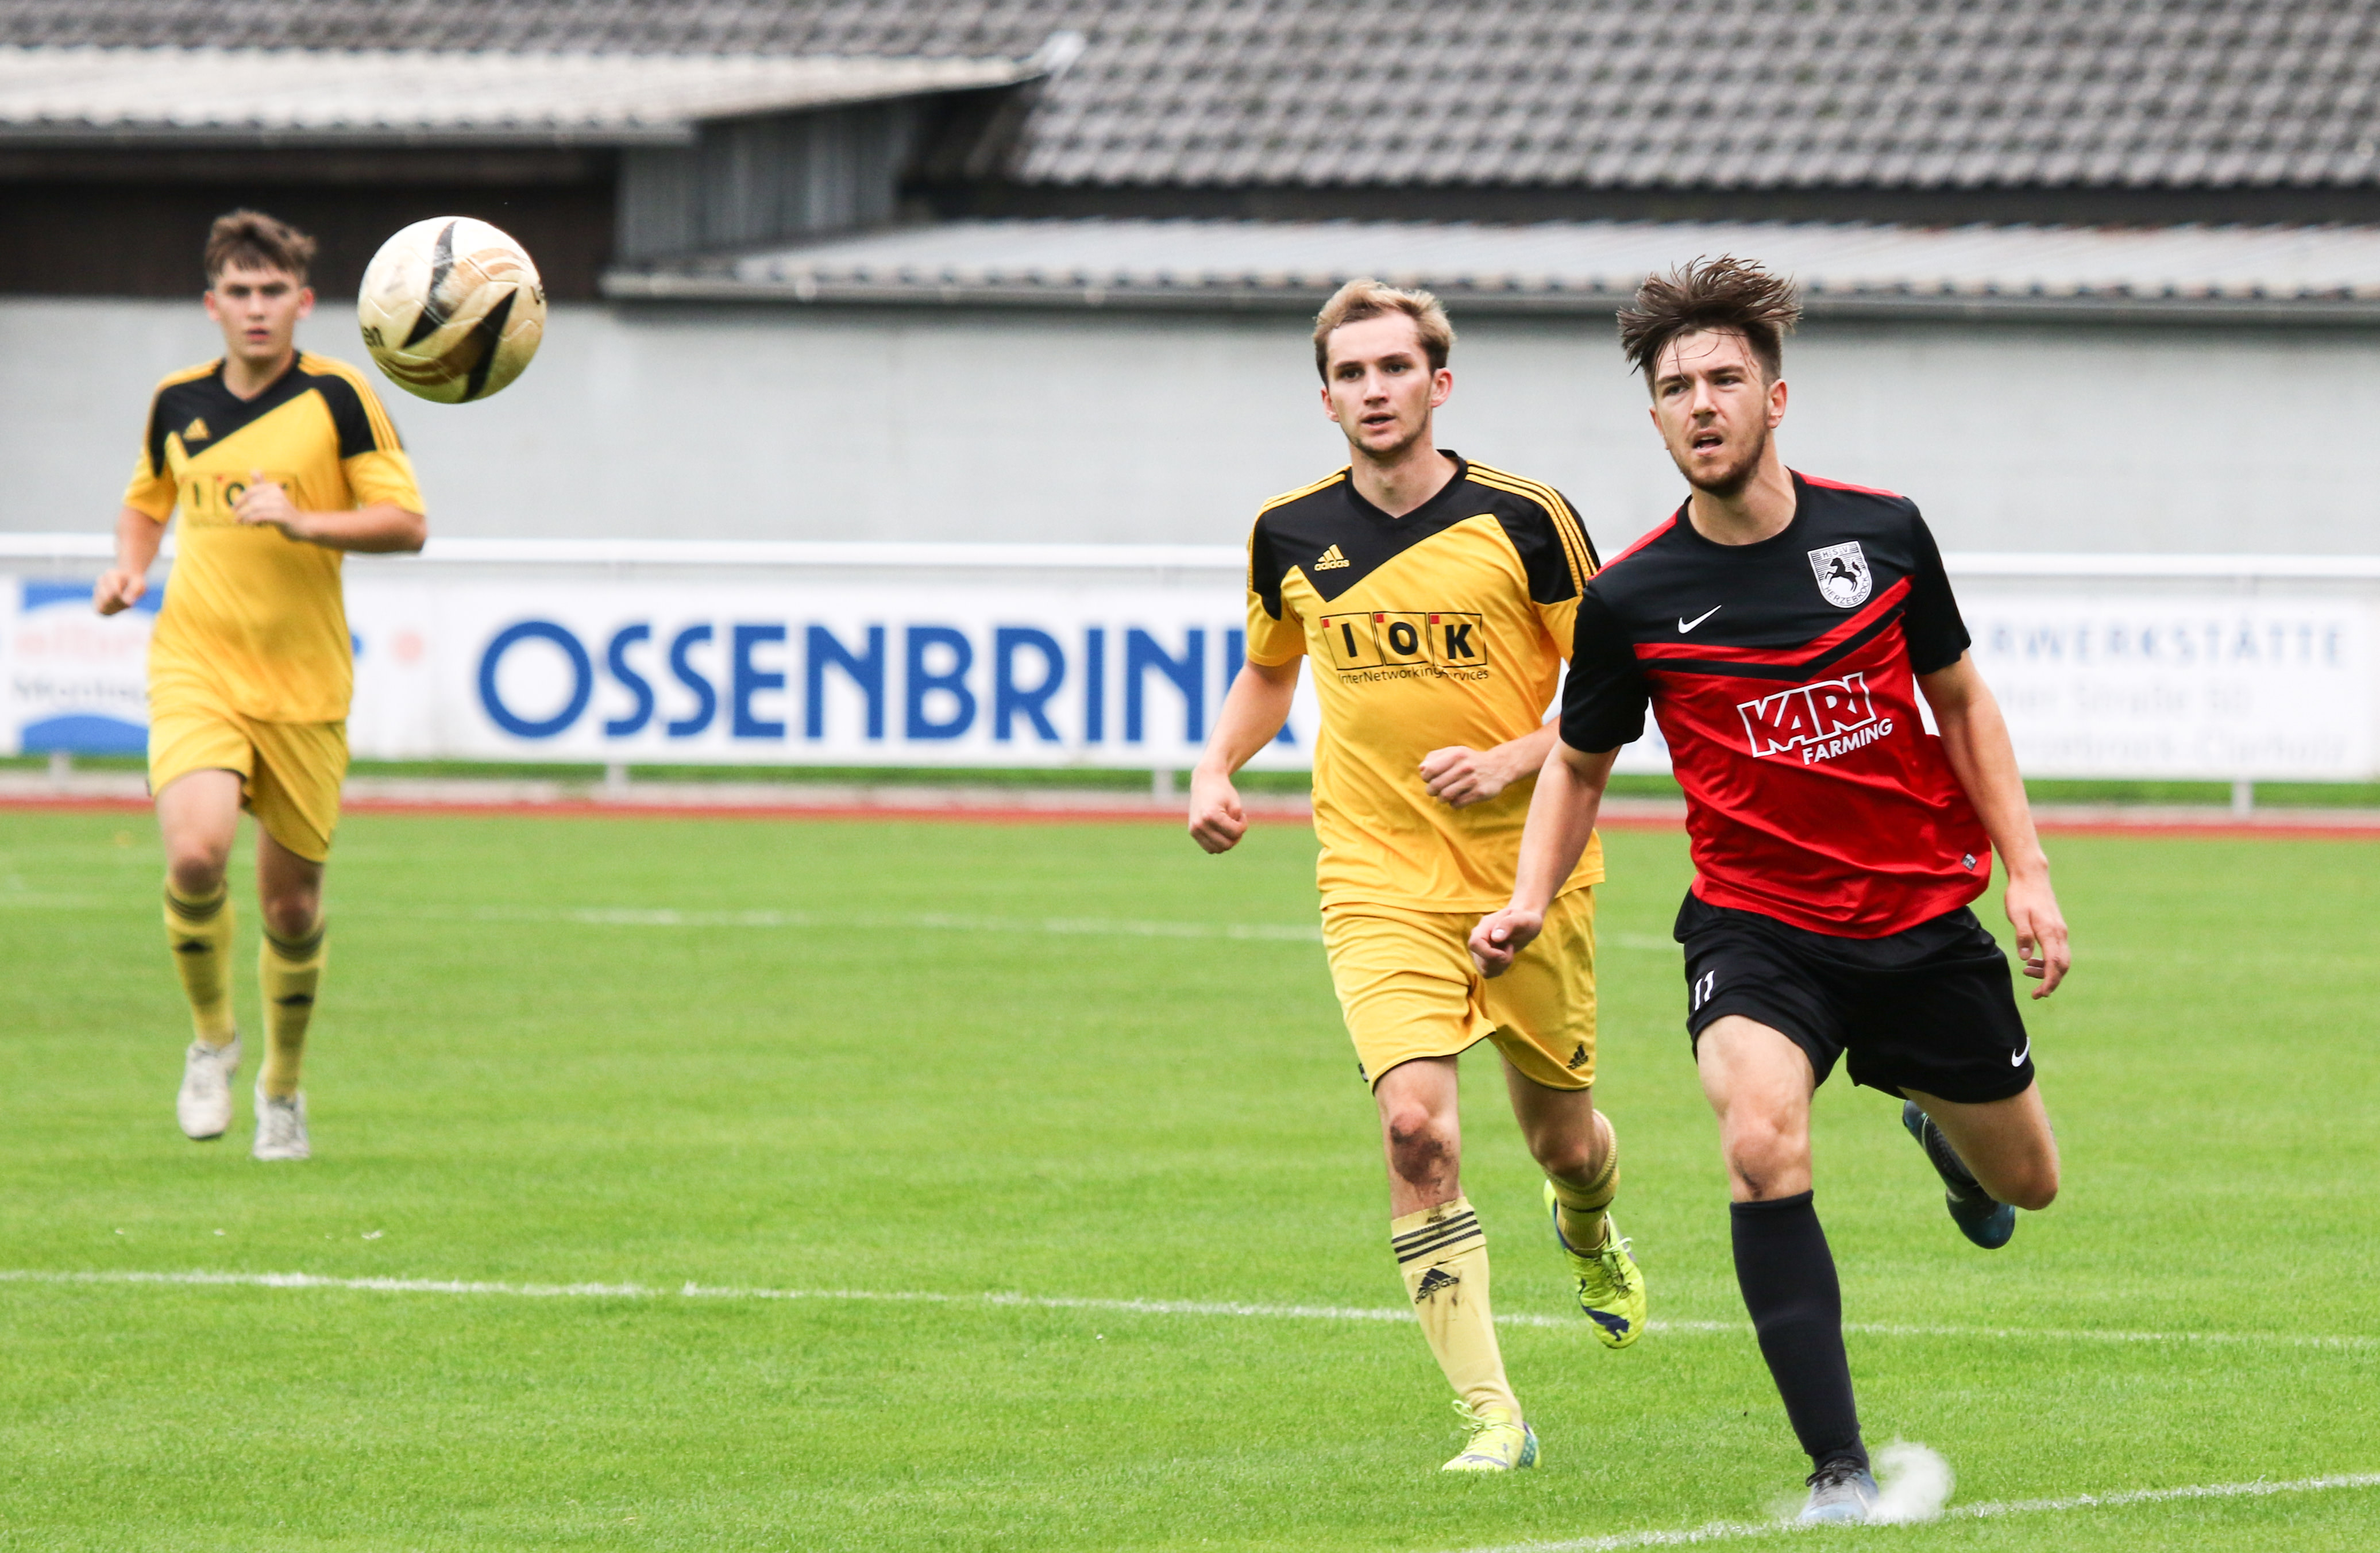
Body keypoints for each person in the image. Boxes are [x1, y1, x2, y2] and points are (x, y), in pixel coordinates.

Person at [1470, 257, 2068, 1523]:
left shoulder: (1883, 534)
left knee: (2028, 1182)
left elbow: (1962, 703)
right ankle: (1837, 1470)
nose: (1701, 403)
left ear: (1774, 398)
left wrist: (2027, 873)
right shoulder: (1630, 598)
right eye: (1675, 387)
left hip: (1919, 917)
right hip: (1758, 930)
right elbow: (1577, 765)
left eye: (1724, 379)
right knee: (1757, 1141)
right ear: (1654, 419)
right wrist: (1526, 896)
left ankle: (1946, 1137)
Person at [1190, 279, 1646, 1473]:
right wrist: (1213, 766)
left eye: (1395, 367)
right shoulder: (1287, 532)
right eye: (1350, 373)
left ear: (1438, 383)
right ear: (1326, 398)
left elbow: (1616, 688)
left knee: (1563, 1143)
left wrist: (1509, 756)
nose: (1374, 389)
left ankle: (1588, 1224)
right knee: (1413, 1131)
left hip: (1528, 876)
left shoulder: (1527, 518)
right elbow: (1270, 670)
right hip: (1373, 876)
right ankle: (1495, 1416)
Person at [93, 209, 427, 1161]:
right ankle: (212, 1042)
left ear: (303, 302)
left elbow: (406, 523)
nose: (255, 307)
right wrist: (129, 568)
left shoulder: (341, 397)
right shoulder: (176, 401)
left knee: (291, 909)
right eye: (238, 291)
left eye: (272, 291)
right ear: (212, 305)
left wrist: (305, 521)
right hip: (196, 664)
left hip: (305, 683)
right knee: (196, 856)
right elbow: (145, 501)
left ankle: (282, 1085)